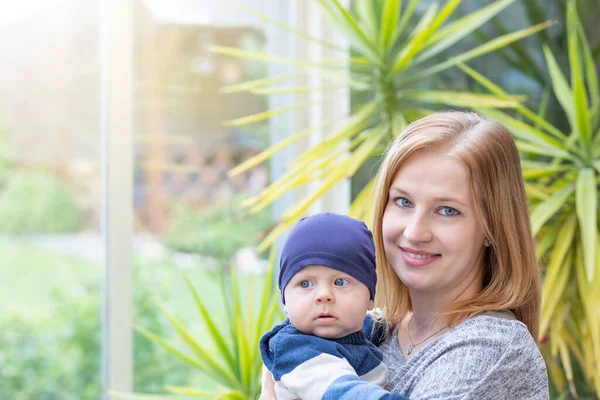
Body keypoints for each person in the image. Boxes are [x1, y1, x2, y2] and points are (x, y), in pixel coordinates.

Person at [260, 111, 549, 399]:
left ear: (492, 227)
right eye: (403, 201)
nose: (414, 232)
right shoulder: (372, 329)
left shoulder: (488, 353)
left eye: (448, 210)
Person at [259, 212, 408, 400]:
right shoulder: (298, 352)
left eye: (340, 282)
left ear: (370, 298)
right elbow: (345, 393)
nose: (323, 295)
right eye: (305, 284)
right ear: (285, 301)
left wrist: (390, 320)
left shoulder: (348, 330)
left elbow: (368, 326)